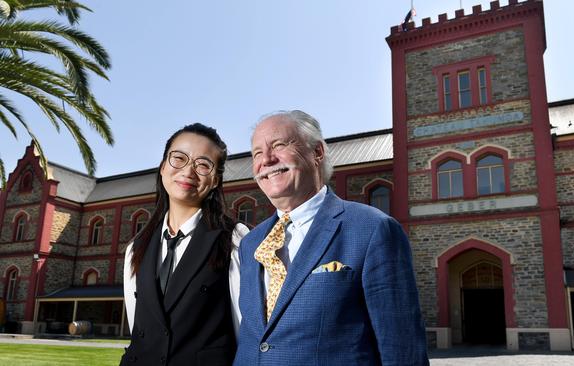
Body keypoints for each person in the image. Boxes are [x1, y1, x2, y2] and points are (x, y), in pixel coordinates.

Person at [234, 111, 428, 365]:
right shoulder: (251, 243)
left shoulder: (372, 229)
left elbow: (402, 350)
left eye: (279, 145)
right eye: (257, 153)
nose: (267, 160)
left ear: (317, 152)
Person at [122, 123, 248, 366]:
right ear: (162, 167)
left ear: (215, 180)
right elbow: (137, 330)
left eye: (203, 164)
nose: (188, 171)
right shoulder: (136, 248)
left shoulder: (234, 238)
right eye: (179, 158)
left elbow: (244, 329)